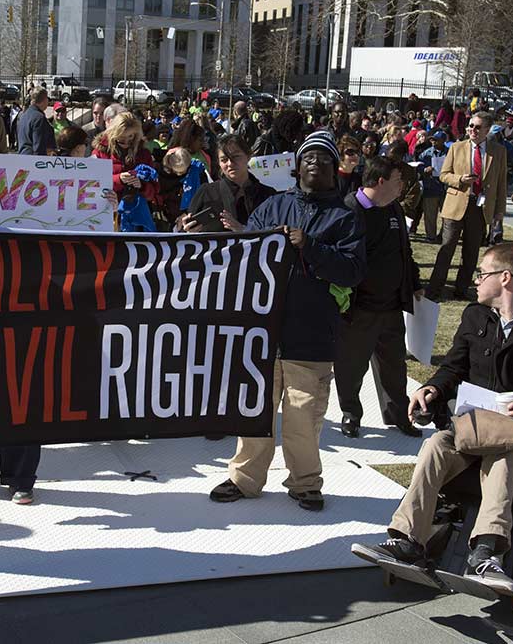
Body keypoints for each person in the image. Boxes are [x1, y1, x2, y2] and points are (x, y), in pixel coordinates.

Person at [356, 242, 513, 596]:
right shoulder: (476, 317)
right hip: (473, 432)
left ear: (506, 278)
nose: (476, 280)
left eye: (483, 273)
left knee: (505, 453)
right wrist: (433, 389)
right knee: (436, 444)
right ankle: (407, 539)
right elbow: (453, 368)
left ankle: (486, 552)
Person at [209, 131, 367, 512]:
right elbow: (244, 254)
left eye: (324, 159)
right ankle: (244, 479)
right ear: (297, 167)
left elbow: (352, 272)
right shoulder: (273, 206)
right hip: (264, 330)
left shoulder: (346, 218)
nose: (315, 163)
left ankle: (304, 483)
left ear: (336, 170)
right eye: (308, 157)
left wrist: (309, 246)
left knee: (303, 417)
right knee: (255, 413)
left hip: (311, 333)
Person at [335, 156, 423, 439]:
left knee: (394, 364)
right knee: (352, 364)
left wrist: (414, 282)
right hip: (360, 306)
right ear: (382, 181)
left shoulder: (394, 208)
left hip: (391, 304)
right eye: (399, 180)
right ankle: (351, 414)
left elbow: (404, 252)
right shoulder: (350, 208)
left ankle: (398, 413)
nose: (403, 187)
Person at [426, 111, 507, 302]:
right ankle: (434, 288)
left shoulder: (499, 152)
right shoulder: (456, 147)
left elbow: (501, 184)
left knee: (471, 253)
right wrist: (460, 180)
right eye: (471, 126)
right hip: (455, 205)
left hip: (480, 207)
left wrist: (500, 211)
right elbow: (444, 174)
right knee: (446, 249)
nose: (472, 130)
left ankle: (461, 289)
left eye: (478, 127)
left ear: (487, 130)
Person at [177, 133, 274, 234]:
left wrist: (244, 230)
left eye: (236, 157)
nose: (230, 164)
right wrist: (188, 230)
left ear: (248, 156)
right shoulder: (207, 193)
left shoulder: (268, 195)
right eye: (224, 160)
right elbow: (186, 233)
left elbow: (277, 232)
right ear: (218, 163)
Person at [92, 112, 158, 232]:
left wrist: (141, 185)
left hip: (135, 218)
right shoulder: (101, 151)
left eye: (131, 137)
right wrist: (119, 179)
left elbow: (154, 192)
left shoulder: (143, 153)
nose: (126, 142)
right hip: (105, 215)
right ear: (113, 133)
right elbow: (91, 184)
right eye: (122, 138)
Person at [414, 130, 448, 242]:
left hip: (445, 188)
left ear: (443, 141)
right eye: (432, 139)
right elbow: (419, 165)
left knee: (447, 216)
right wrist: (424, 170)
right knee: (430, 215)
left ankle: (444, 236)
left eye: (437, 140)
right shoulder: (426, 153)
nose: (433, 142)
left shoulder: (449, 153)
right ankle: (431, 236)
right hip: (430, 187)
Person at [16, 87, 55, 155]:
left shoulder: (23, 115)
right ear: (44, 100)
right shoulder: (39, 118)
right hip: (33, 161)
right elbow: (39, 146)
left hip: (23, 156)